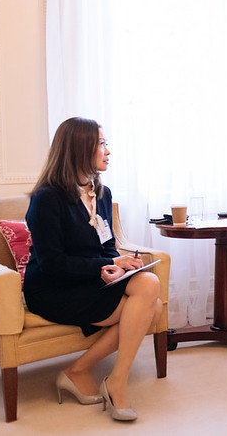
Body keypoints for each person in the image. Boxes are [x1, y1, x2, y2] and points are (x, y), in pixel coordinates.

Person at [23, 117, 162, 422]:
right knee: (151, 305)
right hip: (52, 289)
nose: (108, 151)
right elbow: (51, 264)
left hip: (89, 279)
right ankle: (113, 384)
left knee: (149, 285)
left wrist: (120, 266)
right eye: (101, 144)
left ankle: (88, 372)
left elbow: (107, 246)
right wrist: (105, 265)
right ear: (78, 148)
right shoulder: (46, 198)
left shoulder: (102, 192)